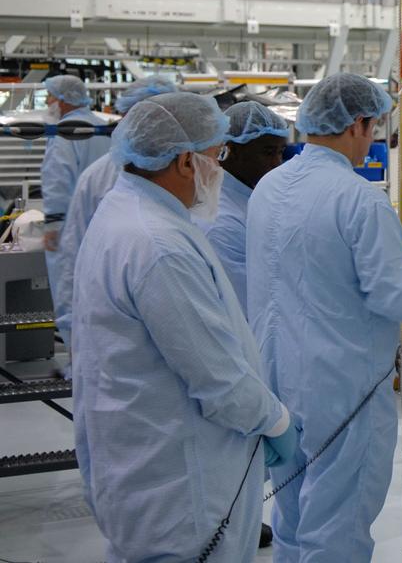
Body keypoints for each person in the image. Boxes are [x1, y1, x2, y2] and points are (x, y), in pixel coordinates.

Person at [73, 92, 298, 563]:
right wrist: (274, 421)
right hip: (180, 487)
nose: (218, 172)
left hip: (145, 464)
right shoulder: (159, 245)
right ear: (182, 161)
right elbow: (215, 375)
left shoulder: (126, 215)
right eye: (215, 158)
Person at [246, 72, 402, 562]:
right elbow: (394, 299)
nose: (375, 139)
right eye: (376, 127)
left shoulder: (268, 188)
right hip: (342, 389)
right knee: (338, 525)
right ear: (358, 124)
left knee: (292, 517)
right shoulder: (359, 198)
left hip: (276, 380)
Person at [53, 75, 177, 351]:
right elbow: (73, 259)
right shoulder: (97, 178)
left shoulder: (186, 177)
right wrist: (72, 327)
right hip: (110, 322)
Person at [196, 101, 290, 316]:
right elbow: (248, 302)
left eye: (280, 152)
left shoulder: (248, 198)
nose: (277, 163)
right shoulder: (221, 220)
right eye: (268, 152)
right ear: (233, 151)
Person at [39, 74, 111, 319]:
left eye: (50, 96)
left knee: (70, 294)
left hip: (72, 226)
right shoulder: (103, 128)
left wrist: (54, 225)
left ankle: (75, 351)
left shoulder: (64, 133)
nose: (47, 102)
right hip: (105, 225)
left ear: (63, 100)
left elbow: (58, 180)